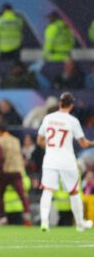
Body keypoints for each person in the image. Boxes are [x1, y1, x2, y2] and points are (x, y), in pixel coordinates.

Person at [37, 92, 94, 232]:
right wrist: (92, 142)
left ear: (59, 103)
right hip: (67, 161)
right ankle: (80, 224)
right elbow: (82, 143)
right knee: (74, 192)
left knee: (47, 190)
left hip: (50, 160)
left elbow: (39, 140)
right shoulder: (72, 121)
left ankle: (44, 222)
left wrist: (51, 148)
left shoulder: (48, 118)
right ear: (72, 105)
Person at [0, 123, 31, 226]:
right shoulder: (16, 140)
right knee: (22, 194)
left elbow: (0, 158)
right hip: (17, 170)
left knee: (0, 194)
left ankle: (2, 217)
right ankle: (27, 214)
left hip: (6, 171)